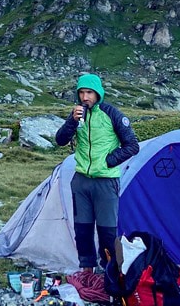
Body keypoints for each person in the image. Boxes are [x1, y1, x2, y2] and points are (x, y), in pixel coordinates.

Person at [55, 72, 138, 272]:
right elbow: (60, 140)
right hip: (82, 180)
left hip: (105, 181)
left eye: (90, 93)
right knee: (82, 230)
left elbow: (132, 146)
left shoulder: (112, 114)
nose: (85, 97)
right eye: (82, 93)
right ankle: (86, 270)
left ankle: (109, 272)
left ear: (98, 94)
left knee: (107, 231)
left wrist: (109, 161)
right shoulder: (76, 114)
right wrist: (72, 122)